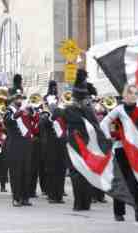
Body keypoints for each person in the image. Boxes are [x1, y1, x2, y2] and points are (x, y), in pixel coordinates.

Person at [101, 84, 138, 222]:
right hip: (121, 150)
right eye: (130, 93)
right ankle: (119, 212)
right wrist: (109, 138)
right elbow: (104, 123)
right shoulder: (119, 110)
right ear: (124, 95)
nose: (132, 96)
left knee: (137, 181)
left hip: (136, 150)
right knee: (120, 181)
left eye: (135, 93)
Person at [52, 69, 94, 211]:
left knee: (76, 173)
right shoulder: (89, 110)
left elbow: (56, 114)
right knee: (86, 173)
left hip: (74, 145)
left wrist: (53, 103)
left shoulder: (69, 110)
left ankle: (78, 204)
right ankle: (86, 203)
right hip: (88, 145)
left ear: (75, 97)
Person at [4, 74, 34, 207]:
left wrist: (31, 110)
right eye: (17, 98)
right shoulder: (9, 111)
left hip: (26, 143)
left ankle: (25, 197)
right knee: (16, 172)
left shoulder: (26, 109)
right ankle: (16, 197)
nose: (19, 99)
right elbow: (8, 121)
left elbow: (34, 119)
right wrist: (20, 111)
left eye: (20, 97)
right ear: (12, 99)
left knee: (27, 170)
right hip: (14, 144)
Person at [40, 81, 66, 203]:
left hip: (61, 145)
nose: (54, 105)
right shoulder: (45, 114)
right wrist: (50, 116)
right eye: (52, 103)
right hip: (50, 145)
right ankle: (51, 195)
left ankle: (59, 195)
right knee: (51, 170)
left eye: (55, 102)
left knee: (61, 170)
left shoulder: (61, 112)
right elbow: (42, 125)